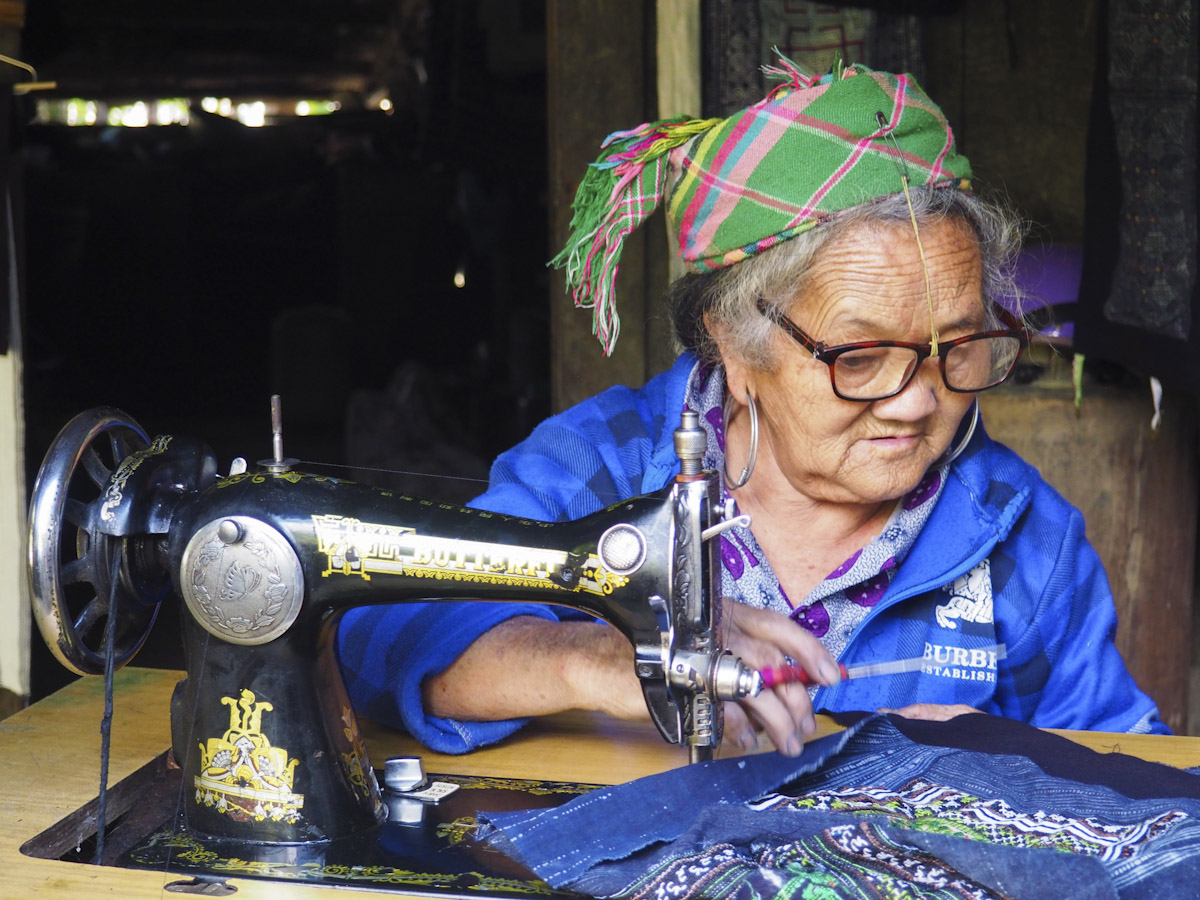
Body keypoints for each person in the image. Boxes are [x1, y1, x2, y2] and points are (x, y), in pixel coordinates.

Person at [337, 59, 1167, 757]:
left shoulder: (1024, 539)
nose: (919, 401)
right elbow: (379, 635)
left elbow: (1133, 770)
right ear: (734, 345)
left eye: (955, 346)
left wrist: (997, 755)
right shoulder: (599, 468)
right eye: (862, 356)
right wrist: (591, 657)